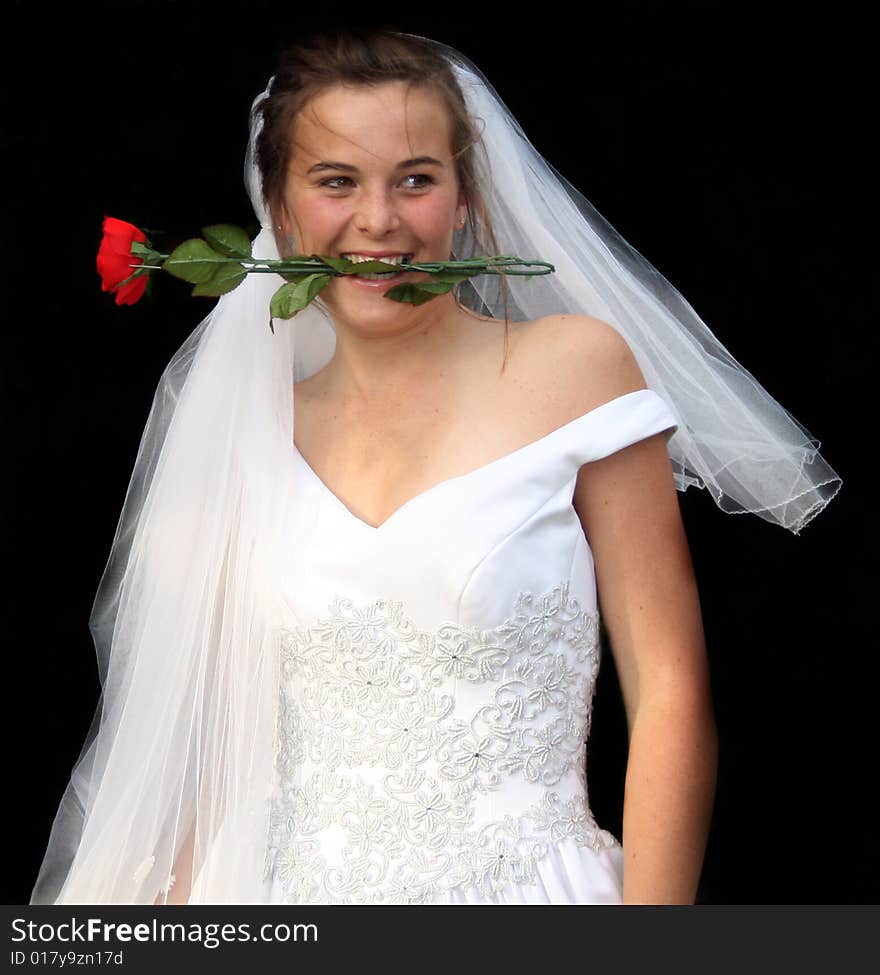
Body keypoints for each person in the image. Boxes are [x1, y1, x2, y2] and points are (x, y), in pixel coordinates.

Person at [30, 29, 841, 906]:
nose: (378, 220)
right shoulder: (248, 438)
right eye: (336, 180)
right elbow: (206, 765)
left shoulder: (575, 370)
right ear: (282, 207)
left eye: (416, 178)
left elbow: (670, 683)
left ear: (463, 198)